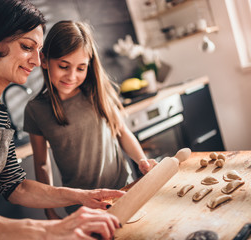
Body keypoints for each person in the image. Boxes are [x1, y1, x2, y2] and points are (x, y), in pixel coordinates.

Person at [0, 1, 125, 240]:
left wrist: (82, 196)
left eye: (39, 51)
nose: (37, 61)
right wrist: (49, 230)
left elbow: (15, 186)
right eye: (27, 47)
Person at [23, 20, 158, 219]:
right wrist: (49, 210)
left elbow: (121, 132)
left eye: (81, 68)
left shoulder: (98, 93)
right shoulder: (35, 110)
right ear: (44, 60)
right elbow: (42, 164)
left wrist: (142, 161)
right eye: (63, 66)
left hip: (124, 190)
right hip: (83, 207)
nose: (71, 75)